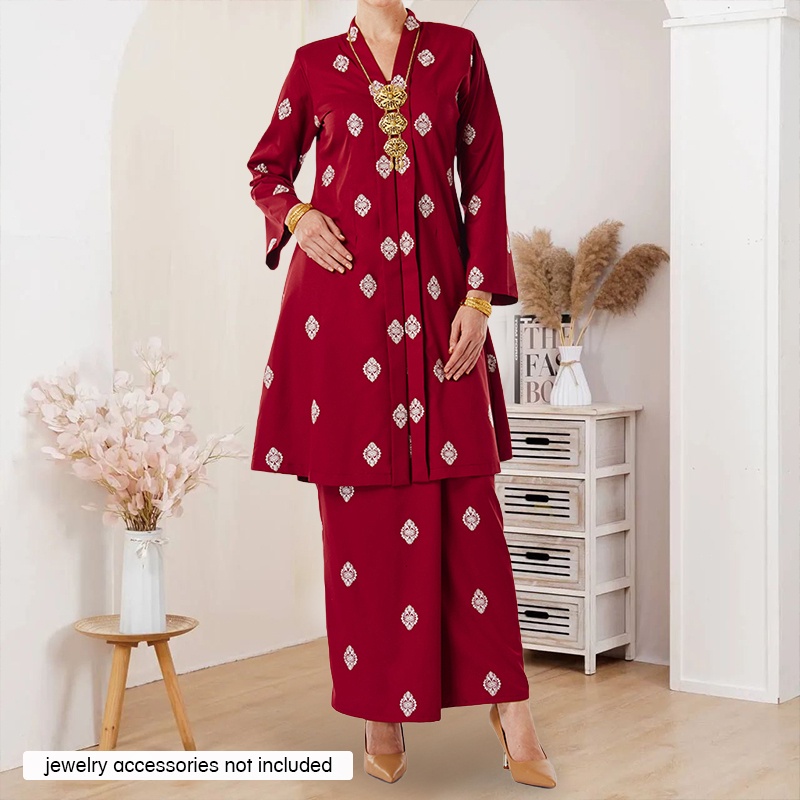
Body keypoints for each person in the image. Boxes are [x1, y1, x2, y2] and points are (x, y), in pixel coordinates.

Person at [245, 0, 556, 788]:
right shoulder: (316, 65)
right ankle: (378, 709)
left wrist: (479, 299)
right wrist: (299, 215)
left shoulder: (457, 52)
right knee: (358, 518)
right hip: (341, 317)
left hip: (442, 306)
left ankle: (511, 706)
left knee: (471, 509)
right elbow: (267, 170)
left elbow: (483, 176)